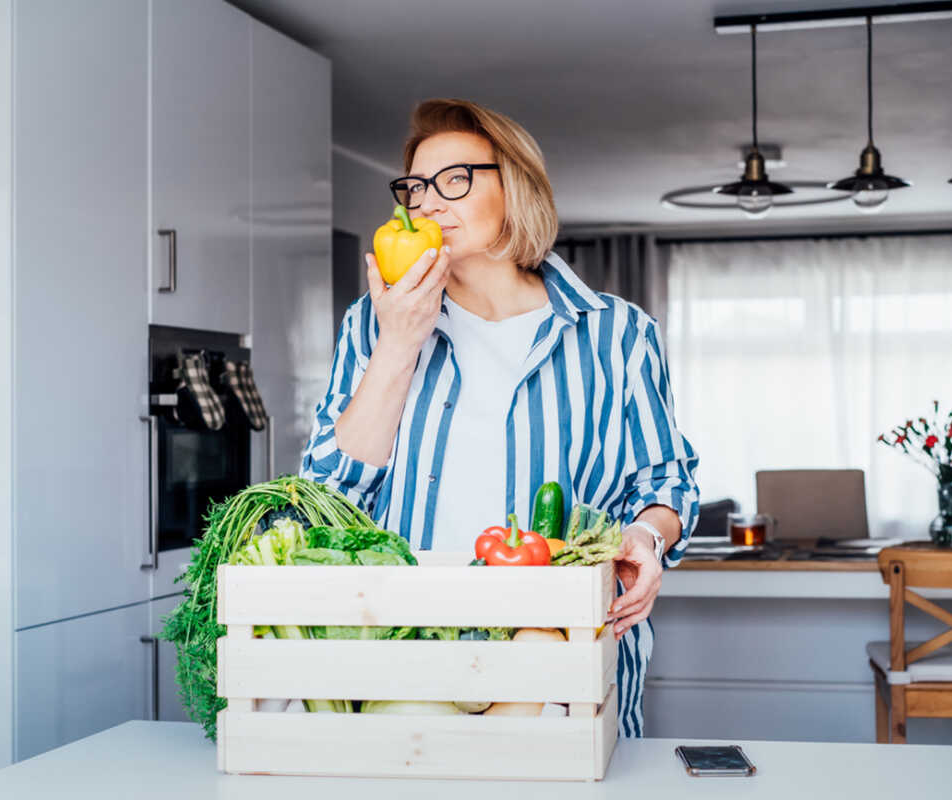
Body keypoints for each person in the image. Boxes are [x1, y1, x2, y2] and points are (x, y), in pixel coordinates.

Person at [300, 98, 699, 736]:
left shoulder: (617, 334)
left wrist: (648, 538)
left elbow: (665, 484)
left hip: (562, 662)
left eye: (454, 179)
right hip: (405, 663)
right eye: (415, 187)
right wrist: (399, 343)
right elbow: (328, 493)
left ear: (516, 188)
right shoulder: (371, 324)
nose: (426, 202)